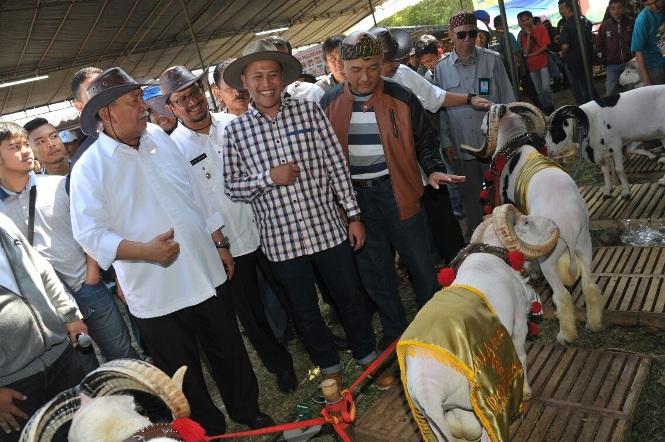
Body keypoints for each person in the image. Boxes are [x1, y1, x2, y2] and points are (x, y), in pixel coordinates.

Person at [69, 67, 273, 434]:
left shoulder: (159, 140)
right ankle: (207, 428)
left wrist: (219, 241)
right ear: (107, 112)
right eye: (133, 101)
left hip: (203, 267)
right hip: (157, 289)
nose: (144, 107)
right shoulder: (90, 168)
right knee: (183, 369)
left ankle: (247, 411)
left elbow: (195, 193)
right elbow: (90, 234)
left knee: (228, 348)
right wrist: (144, 251)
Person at [221, 39, 390, 389]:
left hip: (327, 228)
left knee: (350, 298)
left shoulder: (308, 111)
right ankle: (329, 367)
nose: (266, 83)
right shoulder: (236, 132)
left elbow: (335, 164)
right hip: (281, 243)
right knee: (305, 311)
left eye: (272, 75)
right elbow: (232, 186)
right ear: (245, 83)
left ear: (282, 79)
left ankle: (367, 356)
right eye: (257, 77)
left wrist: (353, 214)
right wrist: (269, 178)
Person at [320, 31, 465, 348]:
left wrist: (434, 168)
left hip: (399, 192)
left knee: (421, 266)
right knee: (374, 271)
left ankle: (432, 324)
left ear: (381, 63)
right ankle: (394, 329)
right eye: (356, 68)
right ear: (342, 67)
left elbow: (426, 141)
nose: (365, 76)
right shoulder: (327, 105)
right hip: (355, 202)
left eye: (372, 67)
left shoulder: (401, 96)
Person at [160, 65, 297, 393]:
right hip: (228, 244)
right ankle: (280, 365)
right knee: (251, 314)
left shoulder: (236, 124)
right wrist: (217, 242)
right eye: (182, 99)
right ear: (171, 108)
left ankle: (313, 340)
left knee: (291, 292)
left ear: (204, 92)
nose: (192, 102)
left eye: (194, 93)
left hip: (268, 226)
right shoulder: (174, 149)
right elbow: (192, 203)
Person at [1, 121, 138, 374]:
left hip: (87, 288)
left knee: (123, 356)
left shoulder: (59, 186)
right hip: (48, 305)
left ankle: (152, 410)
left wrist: (92, 276)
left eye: (25, 145)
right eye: (15, 147)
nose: (26, 151)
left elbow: (90, 231)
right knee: (83, 371)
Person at [0, 211, 87, 442]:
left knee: (83, 432)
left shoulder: (4, 221)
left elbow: (41, 269)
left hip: (63, 361)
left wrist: (70, 316)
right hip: (13, 387)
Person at [434, 11, 516, 235]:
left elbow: (508, 99)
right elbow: (440, 107)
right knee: (469, 195)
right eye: (461, 35)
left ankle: (508, 234)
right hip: (462, 144)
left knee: (500, 191)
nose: (467, 39)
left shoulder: (493, 60)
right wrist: (446, 140)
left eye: (472, 33)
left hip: (493, 142)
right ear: (451, 36)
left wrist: (511, 136)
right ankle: (477, 240)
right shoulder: (441, 68)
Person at [558, 0, 597, 103]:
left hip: (574, 61)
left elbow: (565, 47)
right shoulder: (585, 20)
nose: (560, 11)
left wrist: (562, 52)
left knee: (579, 88)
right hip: (587, 57)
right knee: (588, 84)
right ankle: (596, 104)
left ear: (569, 8)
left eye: (562, 8)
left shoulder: (567, 25)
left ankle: (585, 109)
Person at [266, 35, 325, 101]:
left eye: (282, 59)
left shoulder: (312, 93)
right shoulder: (255, 100)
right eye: (270, 59)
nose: (276, 65)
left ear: (290, 62)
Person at [517, 10, 555, 113]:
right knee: (539, 90)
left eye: (526, 20)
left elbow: (545, 47)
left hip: (543, 63)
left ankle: (551, 106)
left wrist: (531, 54)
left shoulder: (541, 29)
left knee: (546, 87)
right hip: (532, 65)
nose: (525, 23)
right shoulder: (524, 35)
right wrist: (529, 34)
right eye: (522, 21)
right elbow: (525, 51)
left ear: (532, 19)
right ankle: (546, 109)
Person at [597, 0, 634, 95]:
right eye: (613, 8)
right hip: (612, 65)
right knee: (610, 91)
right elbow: (599, 44)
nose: (616, 11)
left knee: (631, 91)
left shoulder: (631, 22)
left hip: (629, 63)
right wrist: (604, 60)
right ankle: (611, 109)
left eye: (619, 7)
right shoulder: (605, 25)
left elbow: (636, 40)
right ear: (609, 10)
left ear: (624, 8)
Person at [69, 67, 102, 165]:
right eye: (94, 92)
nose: (106, 95)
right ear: (79, 106)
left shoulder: (147, 130)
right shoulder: (85, 162)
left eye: (109, 87)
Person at [631, 0, 665, 85]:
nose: (654, 6)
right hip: (655, 68)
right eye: (649, 4)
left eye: (657, 1)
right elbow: (638, 51)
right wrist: (647, 82)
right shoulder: (642, 19)